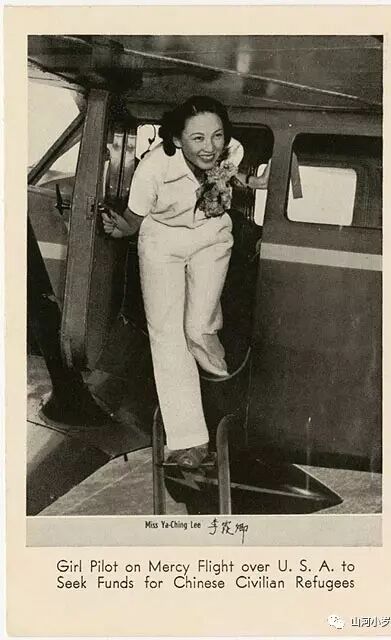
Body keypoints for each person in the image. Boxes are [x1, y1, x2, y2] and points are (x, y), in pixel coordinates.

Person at [102, 95, 269, 469]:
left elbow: (225, 172)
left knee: (197, 327)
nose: (209, 146)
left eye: (216, 135)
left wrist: (251, 181)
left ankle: (220, 378)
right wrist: (117, 229)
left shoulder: (230, 150)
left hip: (211, 236)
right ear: (177, 139)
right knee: (167, 337)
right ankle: (189, 441)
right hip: (162, 241)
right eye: (198, 138)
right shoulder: (154, 168)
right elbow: (133, 220)